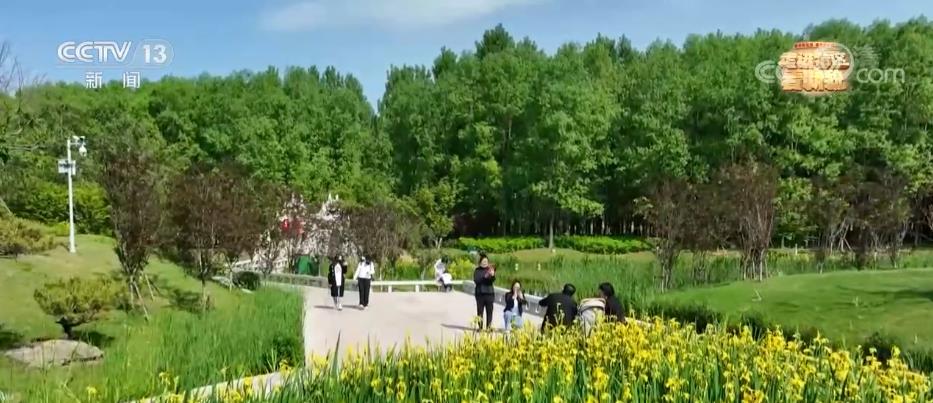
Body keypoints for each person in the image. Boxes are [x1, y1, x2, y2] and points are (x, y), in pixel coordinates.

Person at [472, 253, 496, 330]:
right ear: (480, 262)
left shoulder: (489, 269)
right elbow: (476, 280)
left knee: (489, 311)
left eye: (486, 261)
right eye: (483, 261)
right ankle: (480, 327)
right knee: (480, 311)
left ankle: (488, 327)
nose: (485, 263)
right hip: (480, 294)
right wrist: (485, 276)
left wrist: (492, 275)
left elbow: (492, 280)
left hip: (489, 293)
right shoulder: (477, 270)